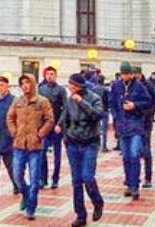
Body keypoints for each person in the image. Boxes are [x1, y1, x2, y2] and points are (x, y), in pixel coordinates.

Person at [57, 73, 104, 226]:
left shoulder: (94, 98)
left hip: (90, 143)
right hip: (73, 143)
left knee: (87, 177)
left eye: (72, 84)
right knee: (76, 181)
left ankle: (98, 202)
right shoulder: (70, 99)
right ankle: (81, 215)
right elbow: (65, 115)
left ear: (79, 86)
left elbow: (97, 115)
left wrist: (82, 102)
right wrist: (60, 127)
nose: (70, 87)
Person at [6, 73, 54, 221]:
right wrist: (14, 132)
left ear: (32, 84)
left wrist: (41, 133)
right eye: (22, 83)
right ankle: (26, 196)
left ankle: (31, 208)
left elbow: (50, 119)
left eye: (27, 82)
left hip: (35, 146)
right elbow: (10, 117)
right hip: (19, 144)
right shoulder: (17, 101)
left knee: (34, 179)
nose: (25, 86)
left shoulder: (42, 101)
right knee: (17, 176)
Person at [109, 61, 152, 200]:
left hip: (136, 126)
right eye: (123, 74)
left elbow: (148, 102)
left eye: (127, 73)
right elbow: (112, 103)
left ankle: (135, 186)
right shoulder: (116, 86)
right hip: (122, 126)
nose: (125, 76)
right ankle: (129, 183)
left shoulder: (139, 86)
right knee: (126, 157)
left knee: (134, 155)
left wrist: (135, 105)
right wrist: (116, 117)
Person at [38, 67, 67, 190]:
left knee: (57, 154)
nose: (49, 76)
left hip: (56, 126)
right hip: (45, 126)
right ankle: (43, 179)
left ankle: (55, 179)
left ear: (55, 76)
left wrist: (60, 124)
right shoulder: (41, 89)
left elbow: (65, 108)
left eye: (52, 74)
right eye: (48, 74)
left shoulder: (61, 90)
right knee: (42, 152)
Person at [132, 67, 155, 189]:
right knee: (134, 151)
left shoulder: (148, 85)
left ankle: (148, 178)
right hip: (133, 122)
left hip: (146, 122)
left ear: (141, 73)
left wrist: (149, 112)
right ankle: (133, 177)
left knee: (146, 150)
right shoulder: (131, 85)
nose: (135, 76)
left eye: (136, 73)